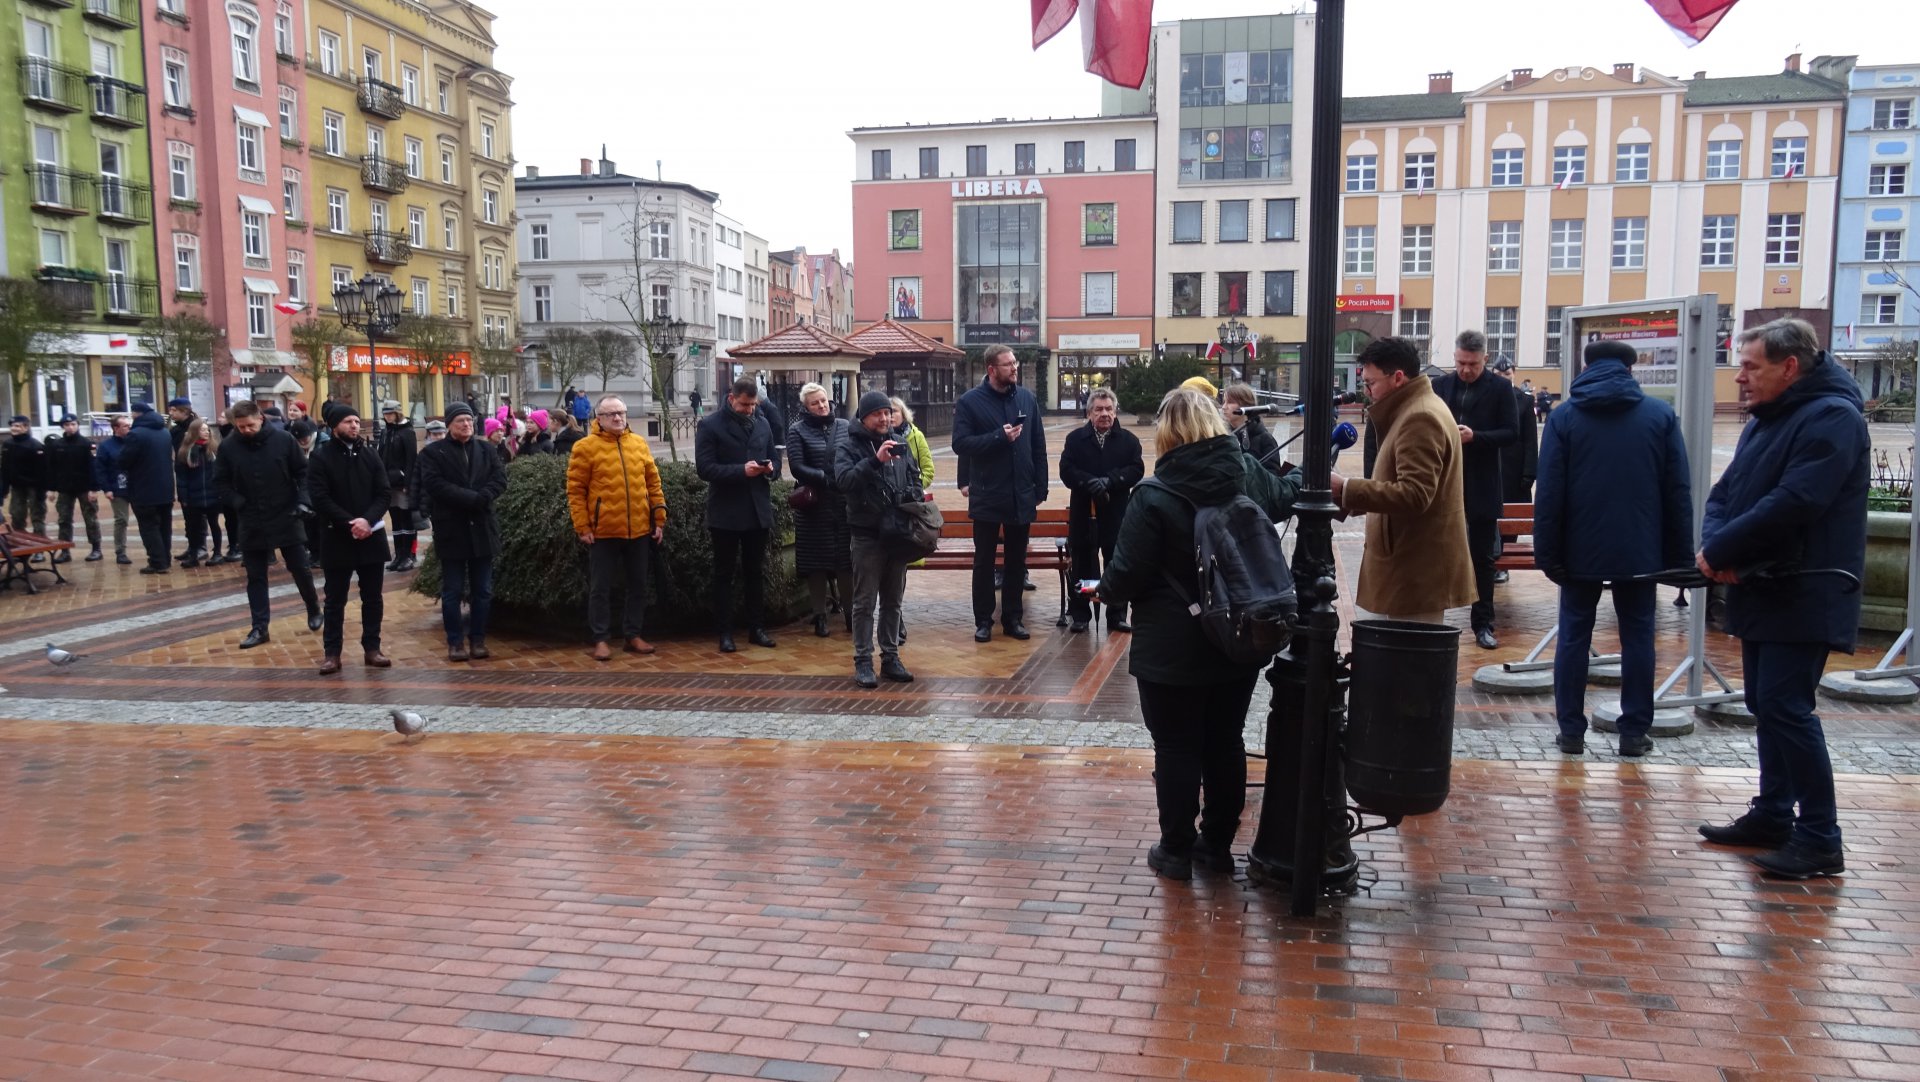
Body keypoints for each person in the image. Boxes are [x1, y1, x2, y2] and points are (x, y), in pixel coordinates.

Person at [1098, 388, 1302, 881]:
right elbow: (1285, 497)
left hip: (1171, 647)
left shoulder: (1153, 495)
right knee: (1225, 742)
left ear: (1167, 434)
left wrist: (1102, 590)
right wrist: (1300, 473)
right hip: (1237, 636)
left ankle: (1175, 850)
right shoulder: (1244, 473)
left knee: (1176, 747)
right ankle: (1216, 847)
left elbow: (1124, 577)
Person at [1696, 318, 1870, 880]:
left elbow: (1797, 501)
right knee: (1765, 704)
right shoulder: (1770, 418)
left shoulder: (1832, 417)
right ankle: (1773, 814)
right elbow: (1725, 494)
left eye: (1751, 367)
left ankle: (1820, 838)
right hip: (1765, 585)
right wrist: (1717, 548)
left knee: (1787, 708)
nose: (1740, 378)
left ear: (1789, 367)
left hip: (1807, 588)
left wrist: (1723, 548)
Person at [1534, 340, 1692, 758]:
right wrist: (1679, 558)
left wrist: (1548, 553)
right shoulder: (1659, 415)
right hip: (1639, 547)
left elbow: (1548, 492)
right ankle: (1634, 732)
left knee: (1573, 635)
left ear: (1586, 368)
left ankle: (1571, 731)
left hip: (1578, 548)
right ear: (1630, 370)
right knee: (1638, 636)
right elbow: (1677, 490)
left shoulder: (1564, 416)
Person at [1330, 337, 1475, 624]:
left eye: (1371, 383)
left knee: (1410, 651)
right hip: (1408, 566)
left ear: (1397, 377)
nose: (1367, 392)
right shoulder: (1412, 409)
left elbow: (1415, 494)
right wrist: (1346, 498)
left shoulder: (1420, 416)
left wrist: (1346, 488)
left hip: (1416, 571)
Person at [952, 344, 1047, 642]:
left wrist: (1041, 487)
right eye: (1008, 364)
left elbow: (1038, 445)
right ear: (991, 369)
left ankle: (1013, 619)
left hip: (1021, 493)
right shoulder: (970, 402)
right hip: (987, 494)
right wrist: (998, 437)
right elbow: (960, 444)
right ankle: (983, 620)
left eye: (1015, 363)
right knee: (984, 562)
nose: (1014, 368)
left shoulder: (1027, 398)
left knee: (1017, 561)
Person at [1431, 330, 1519, 649]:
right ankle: (1431, 619)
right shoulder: (1440, 385)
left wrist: (1476, 437)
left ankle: (1483, 624)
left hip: (1482, 483)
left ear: (1485, 359)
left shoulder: (1500, 388)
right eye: (1460, 363)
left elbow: (1511, 432)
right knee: (1436, 553)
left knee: (1482, 558)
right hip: (1444, 483)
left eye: (1473, 364)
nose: (1466, 370)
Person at [567, 394, 666, 660]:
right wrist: (583, 526)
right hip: (603, 531)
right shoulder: (585, 447)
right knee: (600, 588)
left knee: (638, 585)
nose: (617, 417)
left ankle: (633, 634)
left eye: (621, 412)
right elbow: (575, 490)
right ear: (598, 418)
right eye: (611, 414)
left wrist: (658, 518)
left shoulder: (638, 443)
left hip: (639, 528)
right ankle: (600, 638)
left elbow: (653, 483)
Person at [213, 401, 321, 641]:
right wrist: (237, 501)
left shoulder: (283, 440)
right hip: (251, 517)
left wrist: (303, 502)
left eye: (249, 425)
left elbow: (303, 474)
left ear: (260, 418)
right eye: (240, 427)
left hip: (286, 513)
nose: (245, 430)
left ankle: (313, 607)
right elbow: (220, 481)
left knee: (300, 568)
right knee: (255, 575)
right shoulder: (229, 446)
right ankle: (260, 627)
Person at [836, 391, 921, 687]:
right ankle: (863, 661)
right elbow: (844, 481)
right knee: (864, 602)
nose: (885, 418)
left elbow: (914, 477)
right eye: (878, 414)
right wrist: (874, 461)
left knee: (893, 601)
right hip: (867, 535)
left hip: (898, 535)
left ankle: (890, 657)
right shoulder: (848, 446)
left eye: (888, 413)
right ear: (864, 417)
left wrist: (912, 495)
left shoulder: (900, 443)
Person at [416, 402, 507, 661]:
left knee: (483, 590)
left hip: (482, 528)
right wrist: (471, 498)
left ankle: (478, 639)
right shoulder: (433, 453)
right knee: (452, 591)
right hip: (452, 530)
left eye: (469, 420)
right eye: (460, 421)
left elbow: (500, 479)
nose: (466, 424)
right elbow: (435, 485)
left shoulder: (486, 449)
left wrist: (483, 496)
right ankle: (455, 642)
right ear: (449, 425)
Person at [695, 377, 781, 653]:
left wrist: (771, 470)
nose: (749, 410)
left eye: (753, 405)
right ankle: (725, 632)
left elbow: (775, 459)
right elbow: (705, 468)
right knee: (724, 574)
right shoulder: (710, 425)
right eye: (744, 405)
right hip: (726, 512)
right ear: (732, 399)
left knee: (755, 572)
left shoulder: (763, 423)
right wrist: (741, 470)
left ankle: (757, 628)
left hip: (757, 510)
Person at [307, 403, 392, 675]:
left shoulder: (370, 455)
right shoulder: (321, 457)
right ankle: (332, 653)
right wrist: (349, 523)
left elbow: (384, 493)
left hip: (371, 536)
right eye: (348, 422)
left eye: (356, 421)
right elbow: (320, 498)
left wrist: (367, 520)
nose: (354, 425)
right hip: (337, 537)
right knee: (335, 600)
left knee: (373, 597)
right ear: (335, 427)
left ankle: (372, 648)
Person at [1058, 388, 1145, 633]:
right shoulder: (1075, 439)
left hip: (1116, 514)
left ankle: (1116, 614)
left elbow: (1136, 469)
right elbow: (1067, 471)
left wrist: (1111, 481)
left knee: (1116, 564)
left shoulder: (1129, 441)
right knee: (1083, 564)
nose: (1104, 414)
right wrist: (1088, 482)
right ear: (1089, 413)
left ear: (1115, 412)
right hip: (1084, 514)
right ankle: (1081, 613)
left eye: (1108, 409)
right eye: (1098, 409)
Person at [785, 383, 853, 638]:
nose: (822, 405)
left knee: (845, 561)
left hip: (842, 504)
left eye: (823, 400)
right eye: (815, 403)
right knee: (816, 564)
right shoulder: (797, 430)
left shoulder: (844, 426)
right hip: (814, 506)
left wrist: (845, 477)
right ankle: (820, 615)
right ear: (806, 406)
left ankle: (851, 614)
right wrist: (825, 478)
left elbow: (853, 456)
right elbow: (797, 466)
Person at [120, 403, 176, 574]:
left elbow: (124, 460)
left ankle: (157, 562)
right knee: (165, 526)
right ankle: (165, 558)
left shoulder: (136, 434)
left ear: (137, 414)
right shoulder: (165, 432)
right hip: (165, 488)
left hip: (144, 488)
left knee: (149, 527)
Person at [46, 416, 102, 562]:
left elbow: (93, 467)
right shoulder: (57, 444)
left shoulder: (86, 444)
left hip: (84, 487)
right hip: (65, 488)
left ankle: (96, 548)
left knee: (90, 518)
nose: (70, 427)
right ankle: (65, 550)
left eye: (73, 424)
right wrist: (51, 488)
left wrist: (94, 488)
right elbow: (52, 468)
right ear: (63, 427)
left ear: (77, 425)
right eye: (67, 424)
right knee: (64, 519)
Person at [173, 418, 224, 567]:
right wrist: (183, 496)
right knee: (193, 527)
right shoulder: (185, 451)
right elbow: (181, 477)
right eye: (203, 430)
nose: (206, 432)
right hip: (194, 495)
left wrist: (220, 491)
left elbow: (221, 472)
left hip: (212, 494)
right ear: (195, 432)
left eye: (208, 430)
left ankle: (217, 553)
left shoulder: (214, 449)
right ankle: (194, 555)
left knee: (214, 524)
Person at [378, 400, 419, 572]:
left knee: (406, 519)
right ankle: (399, 554)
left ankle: (408, 555)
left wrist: (408, 483)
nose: (387, 417)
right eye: (385, 414)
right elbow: (381, 456)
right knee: (395, 519)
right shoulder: (385, 431)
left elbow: (411, 459)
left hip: (402, 483)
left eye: (390, 413)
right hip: (389, 482)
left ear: (397, 413)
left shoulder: (407, 432)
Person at [93, 415, 134, 565]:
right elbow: (100, 469)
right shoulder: (106, 446)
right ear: (116, 428)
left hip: (136, 486)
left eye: (129, 425)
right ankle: (120, 551)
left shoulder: (133, 442)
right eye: (125, 426)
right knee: (121, 519)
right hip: (117, 488)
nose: (129, 428)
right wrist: (107, 489)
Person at [1220, 383, 1282, 475]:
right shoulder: (1222, 436)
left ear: (1246, 405)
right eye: (1224, 402)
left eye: (1230, 402)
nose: (1224, 407)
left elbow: (1273, 475)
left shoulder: (1265, 439)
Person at [3, 415, 48, 538]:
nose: (14, 428)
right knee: (16, 514)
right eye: (12, 426)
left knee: (37, 515)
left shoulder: (36, 446)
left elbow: (42, 471)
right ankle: (19, 541)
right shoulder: (7, 444)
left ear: (26, 428)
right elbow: (5, 468)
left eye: (17, 426)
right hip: (17, 486)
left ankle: (40, 542)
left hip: (34, 486)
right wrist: (4, 489)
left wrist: (41, 492)